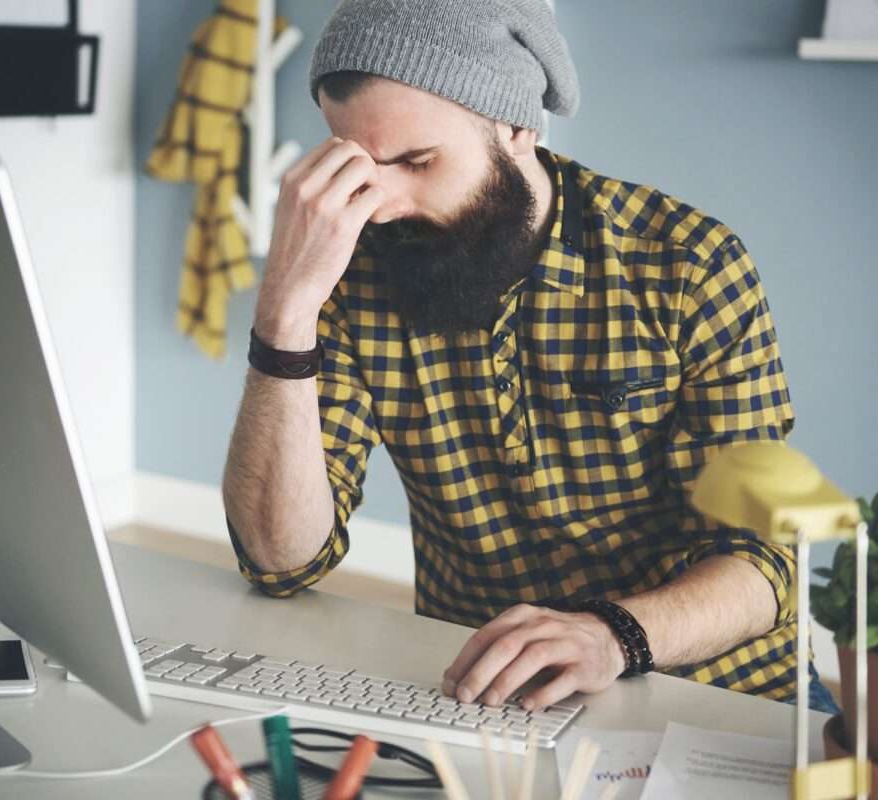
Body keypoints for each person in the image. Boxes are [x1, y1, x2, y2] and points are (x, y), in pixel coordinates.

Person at [221, 0, 838, 714]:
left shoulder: (688, 265)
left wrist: (612, 637)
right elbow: (280, 561)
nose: (381, 204)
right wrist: (284, 315)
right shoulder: (350, 273)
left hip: (722, 686)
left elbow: (766, 560)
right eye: (358, 166)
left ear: (516, 126)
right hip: (495, 694)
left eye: (417, 161)